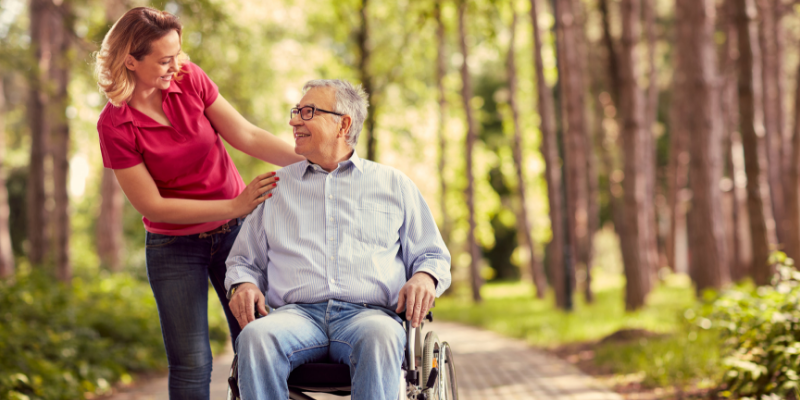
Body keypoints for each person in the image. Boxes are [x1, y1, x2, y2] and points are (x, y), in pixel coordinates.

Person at [93, 7, 304, 400]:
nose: (176, 65)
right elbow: (154, 206)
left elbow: (246, 135)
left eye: (178, 54)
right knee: (191, 362)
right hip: (174, 247)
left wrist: (315, 161)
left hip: (236, 238)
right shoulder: (115, 124)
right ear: (131, 61)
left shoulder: (190, 80)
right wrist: (233, 205)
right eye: (164, 60)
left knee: (259, 340)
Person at [225, 79, 452, 400]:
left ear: (343, 124)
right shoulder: (275, 188)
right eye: (295, 112)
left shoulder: (393, 185)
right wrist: (244, 284)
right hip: (295, 316)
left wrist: (425, 277)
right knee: (256, 337)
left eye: (307, 112)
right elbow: (242, 261)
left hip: (369, 315)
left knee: (379, 336)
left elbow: (433, 254)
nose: (293, 121)